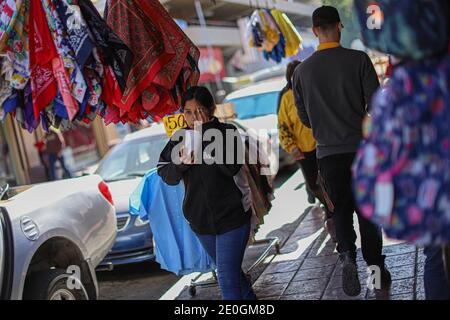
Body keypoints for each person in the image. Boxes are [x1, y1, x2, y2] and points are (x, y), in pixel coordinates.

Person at [293, 5, 391, 297]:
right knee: (368, 215)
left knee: (339, 212)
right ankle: (375, 269)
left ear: (314, 32)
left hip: (327, 155)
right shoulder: (358, 60)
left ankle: (347, 254)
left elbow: (305, 119)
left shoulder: (301, 72)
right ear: (339, 26)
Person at [157, 86, 257, 300]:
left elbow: (231, 166)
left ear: (211, 109)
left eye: (199, 110)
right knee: (233, 276)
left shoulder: (227, 132)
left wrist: (204, 137)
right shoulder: (180, 137)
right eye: (188, 112)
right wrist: (181, 164)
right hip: (201, 222)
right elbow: (166, 173)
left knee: (227, 280)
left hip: (233, 217)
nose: (194, 117)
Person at [278, 60, 336, 241]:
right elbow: (283, 126)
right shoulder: (286, 98)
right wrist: (292, 147)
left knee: (328, 181)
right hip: (303, 150)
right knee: (313, 185)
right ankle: (329, 206)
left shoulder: (316, 91)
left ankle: (333, 212)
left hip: (323, 144)